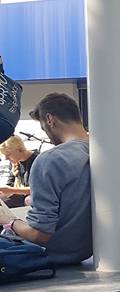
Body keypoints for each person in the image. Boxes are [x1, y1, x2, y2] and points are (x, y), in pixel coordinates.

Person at [1, 93, 92, 265]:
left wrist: (8, 220)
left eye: (43, 127)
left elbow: (39, 235)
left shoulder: (50, 160)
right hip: (85, 252)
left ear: (50, 119)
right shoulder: (103, 151)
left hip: (49, 256)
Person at [0, 134, 39, 206]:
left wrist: (11, 190)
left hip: (33, 198)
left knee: (29, 200)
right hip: (20, 196)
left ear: (20, 150)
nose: (6, 158)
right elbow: (10, 183)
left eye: (8, 154)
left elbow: (38, 189)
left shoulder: (38, 161)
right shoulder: (14, 161)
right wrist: (3, 191)